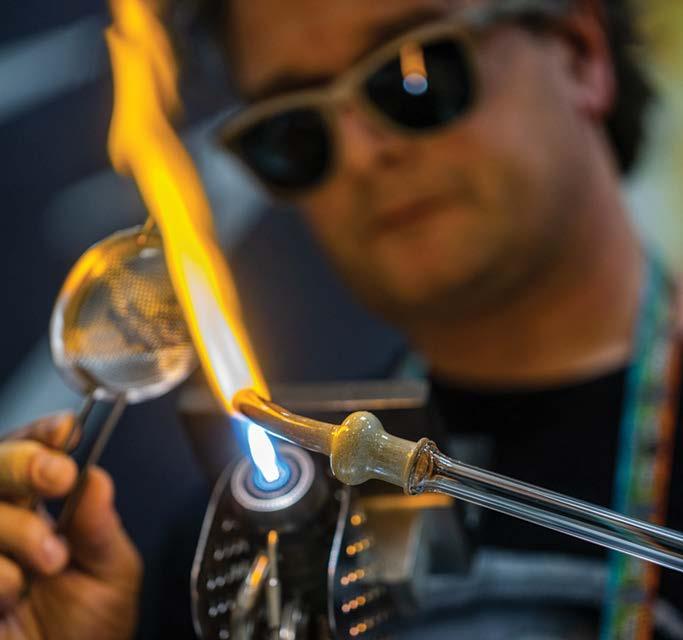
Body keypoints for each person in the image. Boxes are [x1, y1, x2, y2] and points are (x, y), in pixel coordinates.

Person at [0, 0, 681, 638]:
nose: (360, 152)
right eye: (295, 131)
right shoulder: (242, 559)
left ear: (579, 55)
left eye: (411, 74)